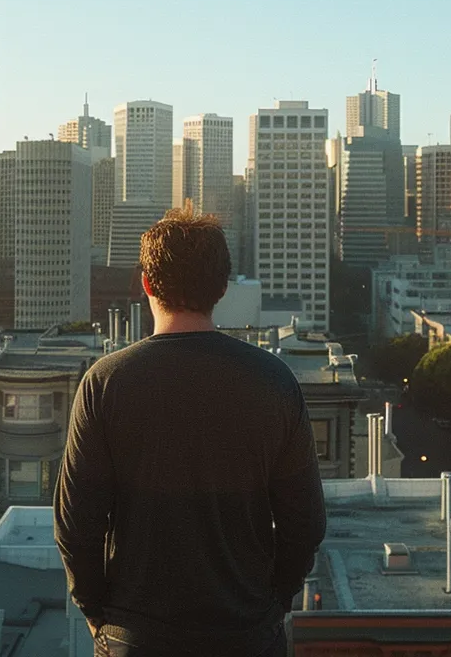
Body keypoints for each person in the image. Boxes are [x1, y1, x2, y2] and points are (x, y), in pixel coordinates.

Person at [55, 209, 327, 657]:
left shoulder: (106, 383)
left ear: (145, 283)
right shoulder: (274, 382)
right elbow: (306, 522)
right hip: (246, 636)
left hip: (138, 637)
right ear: (221, 287)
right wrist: (275, 602)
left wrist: (98, 614)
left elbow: (76, 526)